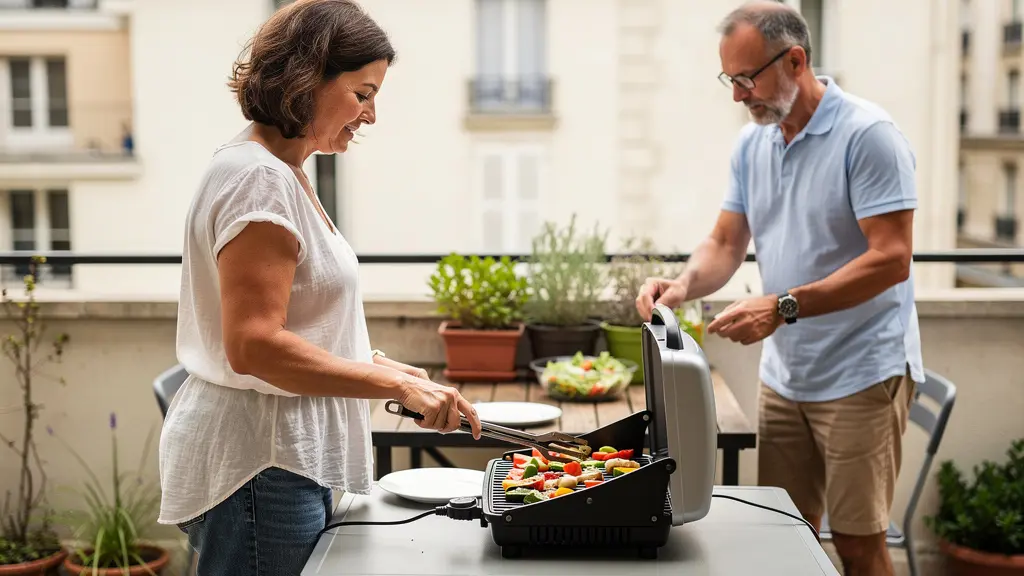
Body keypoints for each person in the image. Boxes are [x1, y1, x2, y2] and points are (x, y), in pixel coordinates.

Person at [156, 1, 482, 574]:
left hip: (278, 462)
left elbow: (298, 318)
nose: (372, 115)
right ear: (305, 80)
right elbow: (254, 345)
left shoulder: (281, 172)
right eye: (362, 93)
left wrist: (388, 368)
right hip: (263, 469)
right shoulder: (259, 179)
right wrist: (390, 385)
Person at [636, 2, 921, 575]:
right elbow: (725, 241)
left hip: (862, 374)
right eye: (730, 80)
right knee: (784, 535)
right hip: (786, 376)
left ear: (796, 60)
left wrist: (783, 305)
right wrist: (683, 285)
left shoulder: (868, 136)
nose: (739, 96)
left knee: (859, 544)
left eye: (748, 78)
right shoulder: (753, 144)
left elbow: (892, 260)